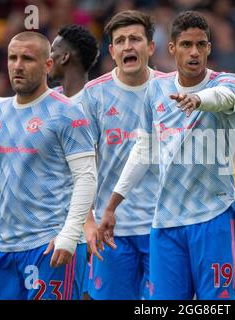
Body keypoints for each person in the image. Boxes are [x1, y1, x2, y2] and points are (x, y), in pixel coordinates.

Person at [99, 11, 235, 300]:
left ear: (209, 49)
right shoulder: (157, 90)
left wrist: (199, 99)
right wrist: (112, 204)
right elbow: (144, 150)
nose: (194, 52)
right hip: (165, 222)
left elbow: (225, 99)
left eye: (201, 45)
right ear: (172, 48)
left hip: (211, 216)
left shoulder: (226, 83)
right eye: (187, 45)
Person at [0, 25, 100, 299]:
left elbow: (86, 177)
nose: (18, 66)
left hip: (51, 246)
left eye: (27, 59)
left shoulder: (67, 113)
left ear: (48, 64)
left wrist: (70, 235)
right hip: (6, 249)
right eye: (13, 58)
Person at [80, 10, 161, 300]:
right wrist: (87, 221)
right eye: (121, 40)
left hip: (161, 227)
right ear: (112, 51)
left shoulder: (170, 90)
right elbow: (81, 165)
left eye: (136, 39)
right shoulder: (92, 95)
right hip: (110, 229)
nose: (129, 46)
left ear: (150, 47)